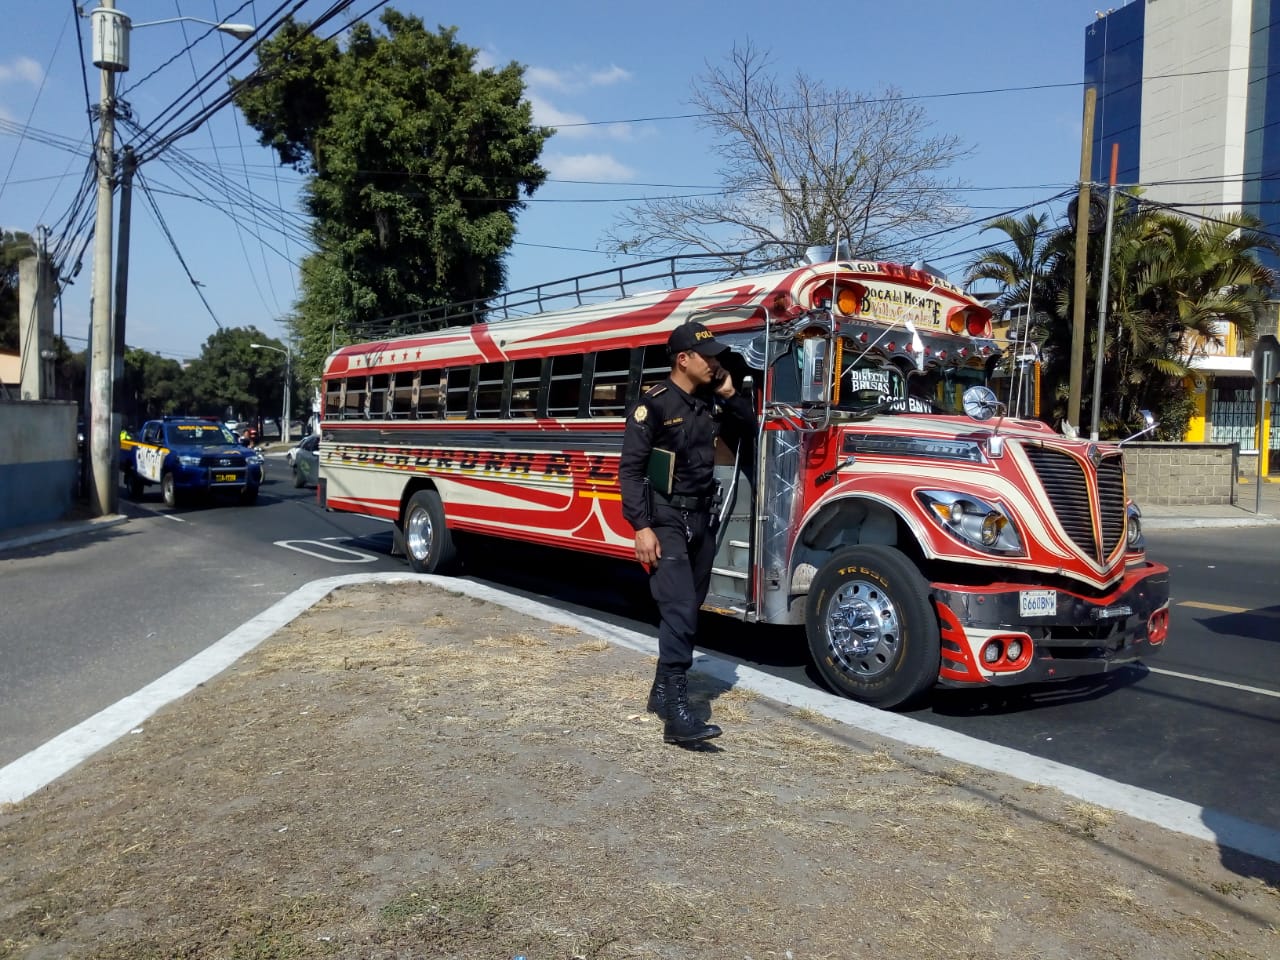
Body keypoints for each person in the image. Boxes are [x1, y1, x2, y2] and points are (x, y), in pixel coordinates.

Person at [620, 322, 756, 745]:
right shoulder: (654, 405)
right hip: (664, 518)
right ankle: (678, 715)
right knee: (679, 607)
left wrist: (732, 394)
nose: (714, 362)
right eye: (707, 356)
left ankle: (661, 694)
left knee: (690, 607)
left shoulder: (710, 403)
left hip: (701, 518)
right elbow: (631, 469)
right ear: (683, 359)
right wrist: (641, 527)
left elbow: (750, 430)